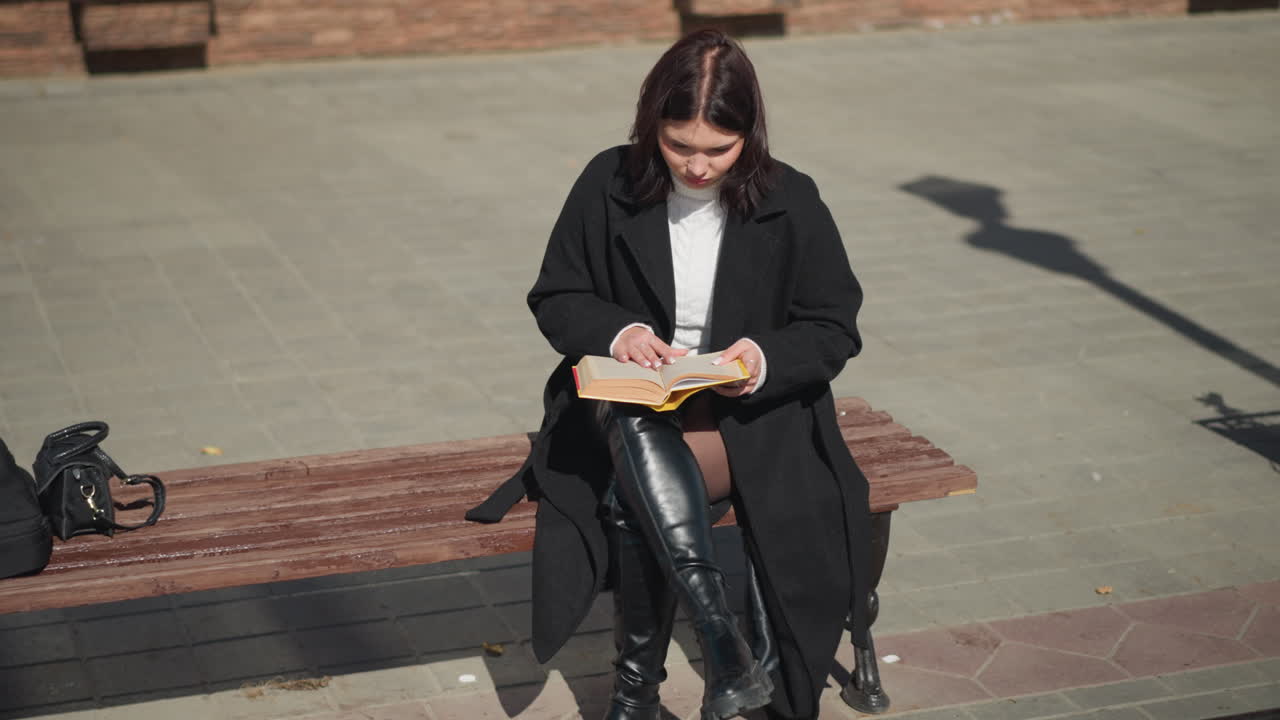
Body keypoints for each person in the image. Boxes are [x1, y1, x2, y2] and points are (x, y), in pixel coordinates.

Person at [467, 28, 874, 720]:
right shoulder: (608, 179)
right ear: (651, 123)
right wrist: (618, 333)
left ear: (750, 134)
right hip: (620, 403)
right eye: (678, 144)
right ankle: (721, 646)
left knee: (636, 495)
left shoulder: (792, 198)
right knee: (631, 420)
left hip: (740, 415)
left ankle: (638, 694)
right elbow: (557, 295)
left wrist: (763, 360)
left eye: (719, 149)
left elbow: (834, 325)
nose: (696, 166)